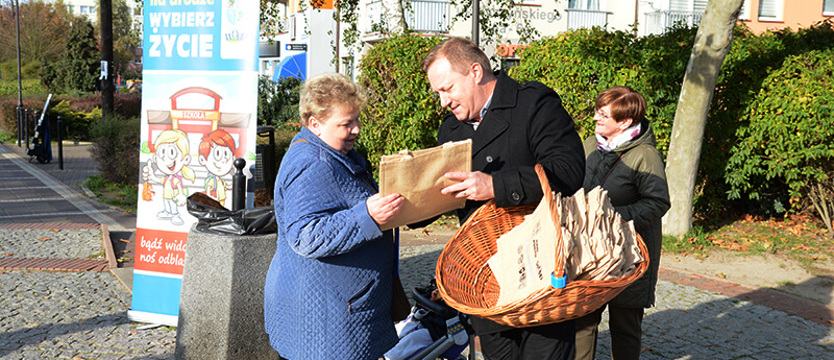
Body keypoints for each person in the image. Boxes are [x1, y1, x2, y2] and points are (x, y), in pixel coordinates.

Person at [420, 37, 586, 360]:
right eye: (437, 93)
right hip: (486, 283)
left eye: (447, 89)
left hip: (542, 276)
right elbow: (443, 195)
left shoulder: (534, 103)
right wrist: (406, 204)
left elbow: (568, 171)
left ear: (475, 72)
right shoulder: (450, 131)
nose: (443, 102)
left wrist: (495, 186)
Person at [263, 73, 405, 360]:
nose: (356, 129)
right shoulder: (313, 163)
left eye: (357, 120)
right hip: (327, 320)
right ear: (315, 124)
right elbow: (305, 236)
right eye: (346, 124)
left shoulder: (329, 151)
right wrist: (367, 216)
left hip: (334, 311)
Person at [574, 86, 670, 360]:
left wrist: (611, 217)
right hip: (591, 251)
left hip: (630, 253)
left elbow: (658, 202)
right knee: (582, 322)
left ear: (625, 121)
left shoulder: (646, 155)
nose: (595, 118)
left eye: (604, 114)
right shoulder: (590, 144)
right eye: (597, 111)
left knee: (625, 326)